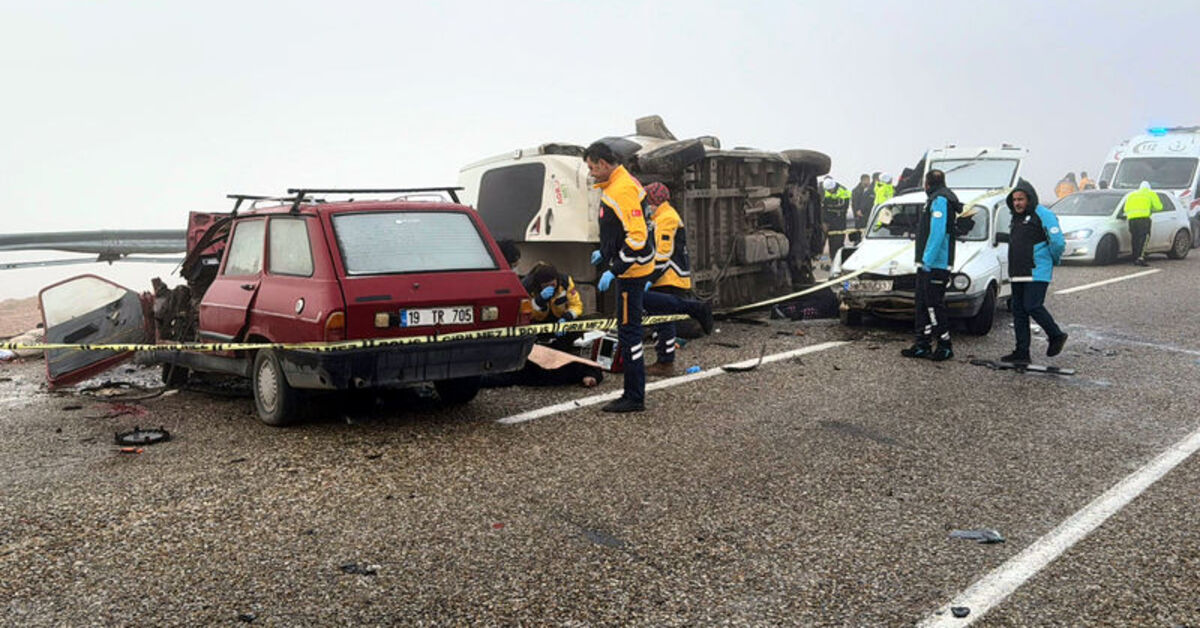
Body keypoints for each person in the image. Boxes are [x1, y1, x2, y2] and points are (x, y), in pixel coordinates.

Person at [585, 141, 655, 413]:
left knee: (629, 335)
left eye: (592, 167)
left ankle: (634, 396)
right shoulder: (617, 184)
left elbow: (637, 238)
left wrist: (614, 270)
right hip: (631, 269)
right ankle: (633, 393)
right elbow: (619, 229)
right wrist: (604, 252)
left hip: (631, 273)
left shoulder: (622, 189)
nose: (590, 173)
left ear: (604, 163)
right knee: (630, 328)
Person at [639, 182, 714, 376]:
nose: (646, 206)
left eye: (648, 202)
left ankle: (665, 363)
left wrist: (649, 277)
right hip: (665, 276)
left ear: (655, 201)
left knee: (663, 321)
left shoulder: (667, 218)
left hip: (668, 276)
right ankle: (664, 361)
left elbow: (664, 253)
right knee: (662, 320)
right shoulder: (659, 217)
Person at [1002, 179, 1067, 364]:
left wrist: (1053, 259)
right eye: (1014, 200)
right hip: (1018, 271)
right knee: (1019, 311)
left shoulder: (1043, 214)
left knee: (1033, 306)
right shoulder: (1016, 217)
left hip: (1036, 270)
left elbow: (1058, 242)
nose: (1017, 203)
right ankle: (1022, 352)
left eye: (1021, 199)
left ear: (1029, 199)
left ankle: (1056, 335)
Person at [901, 170, 960, 361]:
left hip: (936, 264)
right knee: (921, 304)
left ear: (927, 183)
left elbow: (937, 233)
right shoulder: (934, 199)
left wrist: (927, 259)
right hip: (927, 263)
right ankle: (922, 344)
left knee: (934, 305)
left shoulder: (940, 200)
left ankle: (944, 345)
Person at [1124, 181, 1161, 266]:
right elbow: (1159, 207)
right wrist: (1150, 209)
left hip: (1131, 219)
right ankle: (1140, 258)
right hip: (1143, 219)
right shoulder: (1151, 194)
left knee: (1135, 238)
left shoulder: (1132, 195)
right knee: (1144, 238)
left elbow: (1125, 209)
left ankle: (1134, 257)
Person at [821, 178, 852, 264]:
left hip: (839, 222)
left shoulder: (843, 191)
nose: (830, 192)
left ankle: (840, 261)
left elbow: (843, 207)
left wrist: (829, 207)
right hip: (829, 222)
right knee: (831, 243)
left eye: (830, 190)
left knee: (838, 242)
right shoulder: (823, 191)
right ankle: (833, 261)